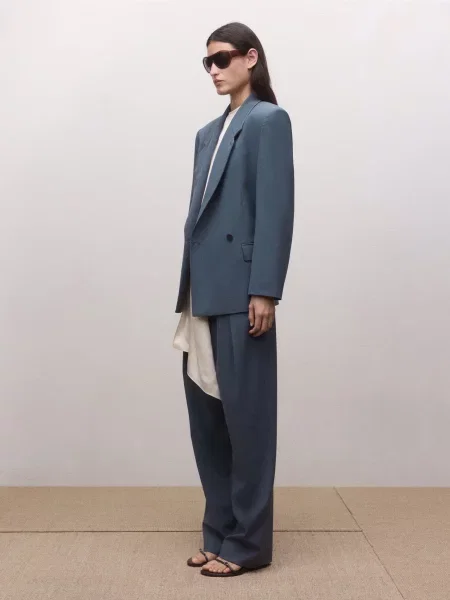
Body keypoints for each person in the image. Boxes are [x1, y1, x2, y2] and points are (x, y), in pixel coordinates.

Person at [173, 21, 295, 578]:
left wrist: (265, 288)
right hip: (200, 288)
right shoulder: (207, 133)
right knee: (207, 420)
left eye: (222, 58)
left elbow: (276, 207)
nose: (214, 70)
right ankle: (218, 530)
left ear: (251, 58)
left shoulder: (268, 120)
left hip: (244, 289)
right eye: (207, 62)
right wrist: (187, 287)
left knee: (248, 422)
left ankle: (247, 543)